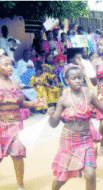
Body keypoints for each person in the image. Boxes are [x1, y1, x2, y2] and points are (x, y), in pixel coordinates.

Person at [46, 64, 103, 190]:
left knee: (91, 174)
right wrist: (51, 117)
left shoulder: (89, 95)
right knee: (63, 177)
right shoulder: (63, 100)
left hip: (86, 139)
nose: (78, 80)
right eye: (74, 78)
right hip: (69, 141)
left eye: (80, 77)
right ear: (66, 81)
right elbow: (54, 124)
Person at [0, 55, 46, 190]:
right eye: (6, 65)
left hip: (16, 124)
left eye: (11, 65)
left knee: (18, 153)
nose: (10, 68)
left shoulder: (15, 83)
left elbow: (20, 103)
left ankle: (20, 185)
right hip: (1, 124)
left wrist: (33, 103)